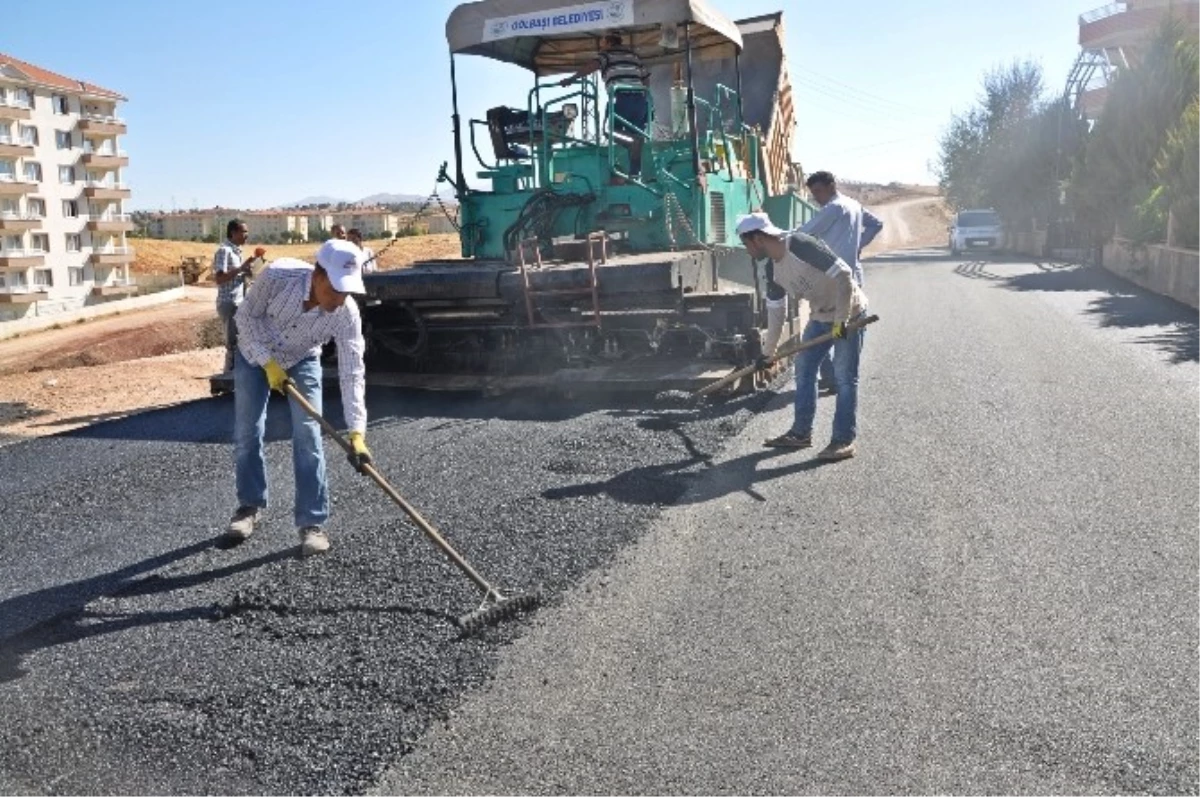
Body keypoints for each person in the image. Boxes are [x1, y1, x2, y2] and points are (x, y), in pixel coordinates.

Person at [224, 238, 374, 556]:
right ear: (318, 274)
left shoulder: (345, 313)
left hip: (303, 358)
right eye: (335, 289)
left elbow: (352, 372)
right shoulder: (278, 276)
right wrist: (267, 362)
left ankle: (312, 523)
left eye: (346, 290)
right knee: (248, 432)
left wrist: (357, 431)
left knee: (308, 435)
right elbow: (244, 319)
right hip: (254, 355)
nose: (339, 298)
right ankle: (249, 507)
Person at [737, 212, 869, 461]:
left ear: (757, 238)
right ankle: (800, 433)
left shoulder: (799, 244)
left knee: (844, 378)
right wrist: (768, 354)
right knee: (805, 368)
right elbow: (776, 314)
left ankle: (843, 440)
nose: (747, 251)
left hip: (849, 313)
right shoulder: (772, 269)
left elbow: (844, 276)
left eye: (745, 244)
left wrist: (841, 323)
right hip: (820, 317)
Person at [799, 171, 883, 392]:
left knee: (825, 327)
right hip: (853, 276)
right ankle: (834, 375)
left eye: (818, 191)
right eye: (813, 192)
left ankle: (834, 376)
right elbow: (876, 224)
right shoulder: (853, 204)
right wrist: (857, 246)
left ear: (831, 186)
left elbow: (803, 235)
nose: (816, 197)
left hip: (832, 281)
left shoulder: (833, 208)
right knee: (839, 327)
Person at [560, 32, 650, 181]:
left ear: (608, 42)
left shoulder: (607, 55)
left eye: (602, 42)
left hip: (621, 99)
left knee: (609, 130)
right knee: (636, 135)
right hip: (640, 101)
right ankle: (635, 173)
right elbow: (646, 78)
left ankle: (633, 145)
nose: (601, 45)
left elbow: (591, 66)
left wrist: (571, 79)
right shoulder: (634, 56)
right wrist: (646, 97)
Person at [212, 219, 254, 374]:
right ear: (233, 233)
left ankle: (236, 374)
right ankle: (229, 376)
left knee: (240, 340)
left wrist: (246, 271)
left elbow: (236, 274)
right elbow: (219, 279)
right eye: (244, 232)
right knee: (233, 343)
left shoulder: (237, 251)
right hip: (229, 302)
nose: (246, 235)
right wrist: (240, 269)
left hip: (238, 302)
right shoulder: (224, 251)